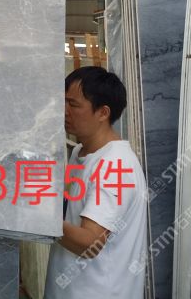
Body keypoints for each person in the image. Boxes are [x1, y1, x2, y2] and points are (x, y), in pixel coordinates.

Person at [44, 66, 147, 298]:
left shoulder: (114, 165)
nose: (64, 111)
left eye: (73, 105)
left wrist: (39, 216)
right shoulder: (80, 152)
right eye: (63, 102)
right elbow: (69, 211)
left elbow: (90, 243)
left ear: (103, 113)